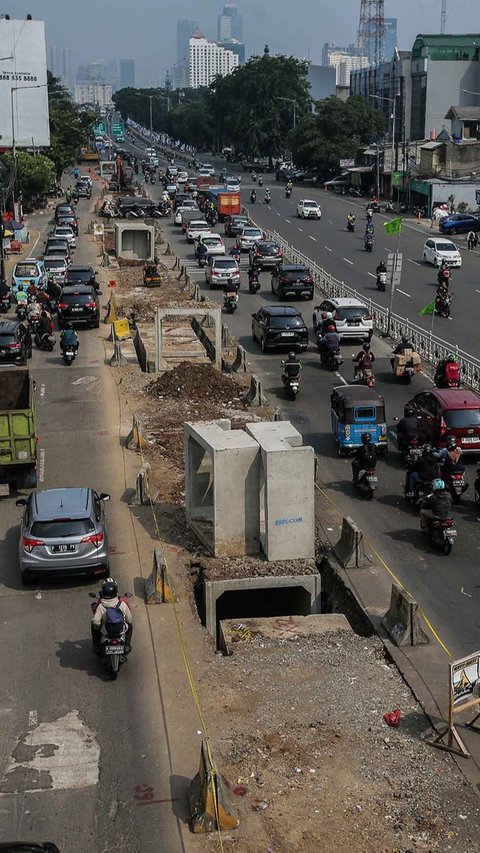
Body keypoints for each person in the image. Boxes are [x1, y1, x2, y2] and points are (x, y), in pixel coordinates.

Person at [91, 577, 133, 654]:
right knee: (130, 625)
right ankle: (127, 645)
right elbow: (129, 620)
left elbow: (96, 622)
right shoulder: (122, 604)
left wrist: (97, 626)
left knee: (93, 624)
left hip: (106, 632)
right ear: (116, 592)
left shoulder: (101, 606)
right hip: (120, 631)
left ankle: (96, 646)